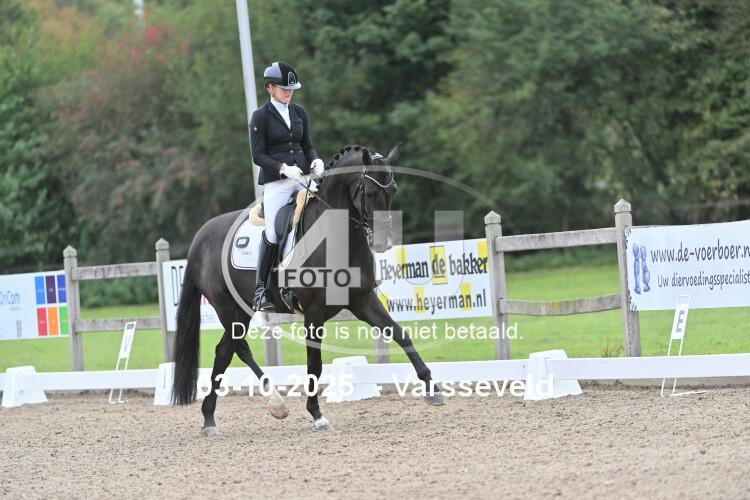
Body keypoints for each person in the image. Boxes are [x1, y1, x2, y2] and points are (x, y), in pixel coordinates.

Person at [249, 61, 324, 311]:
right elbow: (258, 155)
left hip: (302, 178)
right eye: (283, 89)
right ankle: (261, 291)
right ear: (270, 88)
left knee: (326, 213)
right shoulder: (260, 116)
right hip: (277, 183)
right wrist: (282, 168)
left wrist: (315, 160)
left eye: (291, 89)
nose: (289, 93)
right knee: (273, 232)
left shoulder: (299, 112)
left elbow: (307, 145)